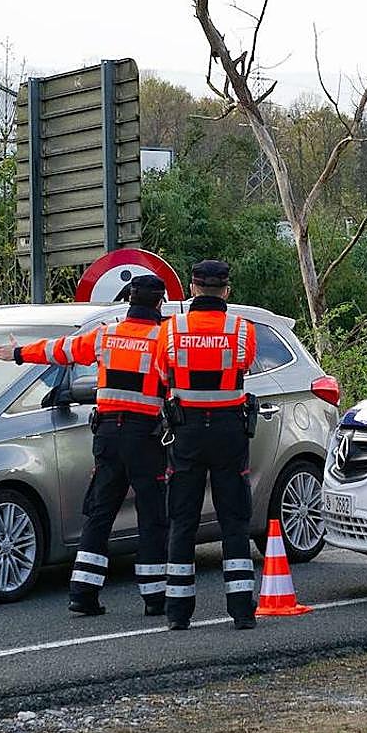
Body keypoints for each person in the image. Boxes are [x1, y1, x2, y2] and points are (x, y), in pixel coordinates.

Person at [0, 275, 170, 617]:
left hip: (108, 438)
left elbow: (61, 351)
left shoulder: (106, 335)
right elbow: (175, 385)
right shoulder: (163, 339)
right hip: (145, 437)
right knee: (152, 516)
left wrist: (17, 353)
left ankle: (83, 593)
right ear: (159, 303)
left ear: (129, 300)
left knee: (100, 514)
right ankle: (155, 597)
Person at [154, 260, 259, 631]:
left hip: (187, 432)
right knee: (234, 519)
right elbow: (244, 362)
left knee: (182, 519)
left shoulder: (171, 330)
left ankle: (178, 613)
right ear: (226, 291)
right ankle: (242, 610)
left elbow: (162, 371)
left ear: (193, 289)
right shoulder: (241, 330)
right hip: (230, 431)